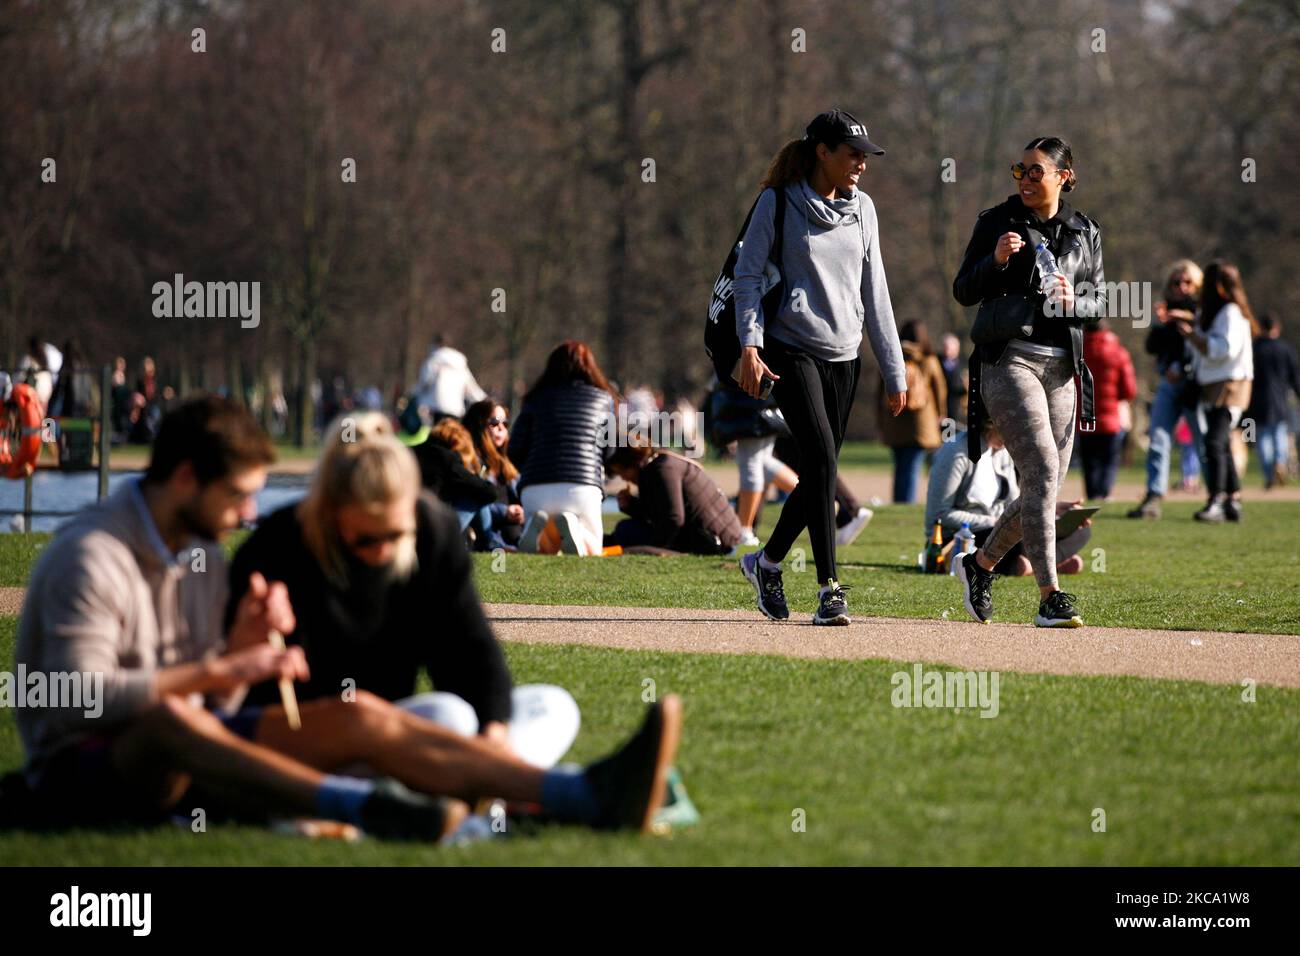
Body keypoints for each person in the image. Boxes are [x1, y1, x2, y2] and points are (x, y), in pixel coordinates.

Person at [10, 395, 682, 838]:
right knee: (174, 720)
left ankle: (579, 793)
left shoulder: (202, 554)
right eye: (238, 495)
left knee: (380, 716)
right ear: (187, 478)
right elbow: (80, 702)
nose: (247, 514)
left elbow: (217, 704)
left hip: (206, 752)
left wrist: (241, 649)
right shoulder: (92, 558)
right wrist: (230, 662)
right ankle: (368, 808)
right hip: (92, 769)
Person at [228, 412, 579, 768]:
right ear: (330, 512)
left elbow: (470, 650)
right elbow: (242, 700)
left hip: (395, 728)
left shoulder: (433, 531)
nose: (382, 550)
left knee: (552, 706)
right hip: (314, 735)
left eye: (395, 536)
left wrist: (493, 730)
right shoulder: (278, 544)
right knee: (449, 716)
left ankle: (486, 775)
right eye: (365, 539)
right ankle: (492, 782)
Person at [732, 108, 907, 626]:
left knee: (819, 471)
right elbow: (746, 276)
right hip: (790, 349)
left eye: (865, 155)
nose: (861, 164)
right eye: (852, 154)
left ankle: (765, 563)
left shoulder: (865, 210)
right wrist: (750, 345)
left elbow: (876, 292)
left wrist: (894, 369)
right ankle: (831, 588)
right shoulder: (778, 202)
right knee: (825, 458)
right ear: (821, 153)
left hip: (845, 355)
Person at [952, 136, 1105, 628]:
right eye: (1020, 170)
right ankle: (1050, 597)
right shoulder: (995, 221)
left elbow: (1100, 305)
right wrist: (994, 260)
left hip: (1062, 367)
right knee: (1039, 470)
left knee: (1044, 486)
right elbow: (962, 290)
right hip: (1008, 361)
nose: (1024, 179)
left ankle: (979, 567)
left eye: (1036, 171)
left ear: (1064, 176)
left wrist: (1073, 302)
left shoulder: (1085, 231)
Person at [925, 420, 1091, 577]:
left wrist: (1052, 509)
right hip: (962, 536)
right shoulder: (955, 452)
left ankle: (1031, 566)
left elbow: (1015, 504)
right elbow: (940, 514)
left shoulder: (1003, 451)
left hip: (1000, 528)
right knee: (1018, 541)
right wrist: (994, 521)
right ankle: (1044, 565)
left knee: (1081, 530)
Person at [511, 341, 619, 557]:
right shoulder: (604, 400)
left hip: (535, 486)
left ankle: (535, 529)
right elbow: (609, 450)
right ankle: (576, 529)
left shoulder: (534, 399)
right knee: (594, 548)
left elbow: (515, 449)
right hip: (582, 486)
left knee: (547, 549)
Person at [1175, 260, 1257, 522]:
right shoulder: (1221, 312)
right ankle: (1232, 499)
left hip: (1230, 383)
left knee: (1214, 442)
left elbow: (1224, 349)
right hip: (1216, 383)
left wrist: (1194, 338)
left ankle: (1217, 500)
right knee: (1220, 443)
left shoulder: (1230, 312)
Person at [1129, 261, 1204, 518]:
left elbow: (1205, 346)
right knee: (1158, 439)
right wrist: (1160, 324)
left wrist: (1182, 368)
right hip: (1167, 384)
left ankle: (1219, 496)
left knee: (1202, 440)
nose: (1181, 287)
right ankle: (1153, 496)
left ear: (1197, 285)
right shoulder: (1164, 312)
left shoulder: (1203, 312)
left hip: (1196, 384)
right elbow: (1152, 347)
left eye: (1187, 282)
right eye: (1176, 282)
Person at [705, 380, 800, 546]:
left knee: (751, 463)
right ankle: (817, 500)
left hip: (752, 402)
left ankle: (744, 530)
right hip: (764, 400)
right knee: (764, 462)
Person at [605, 442, 743, 555]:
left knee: (626, 529)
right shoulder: (661, 462)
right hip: (717, 538)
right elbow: (661, 514)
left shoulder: (663, 469)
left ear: (631, 463)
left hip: (715, 543)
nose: (623, 478)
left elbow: (673, 518)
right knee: (626, 530)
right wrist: (632, 506)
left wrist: (653, 548)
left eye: (621, 472)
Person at [878, 320, 947, 503]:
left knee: (900, 466)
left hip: (894, 419)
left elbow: (880, 392)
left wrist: (880, 422)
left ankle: (898, 503)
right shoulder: (929, 360)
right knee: (912, 466)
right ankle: (906, 503)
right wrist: (941, 415)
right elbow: (940, 391)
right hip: (921, 424)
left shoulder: (891, 359)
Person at [412, 417, 502, 545]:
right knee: (474, 496)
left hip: (406, 519)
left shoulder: (411, 451)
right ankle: (491, 544)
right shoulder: (448, 458)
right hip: (432, 528)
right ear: (457, 442)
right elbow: (490, 492)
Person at [1077, 319, 1136, 501]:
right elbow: (1129, 390)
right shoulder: (1119, 353)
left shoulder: (1077, 352)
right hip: (1111, 417)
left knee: (1089, 460)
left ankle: (1093, 494)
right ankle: (1104, 493)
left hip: (1084, 416)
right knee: (1109, 459)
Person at [462, 398, 526, 548]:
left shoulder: (507, 463)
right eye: (494, 422)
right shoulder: (471, 461)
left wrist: (522, 511)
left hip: (512, 527)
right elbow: (473, 502)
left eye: (505, 423)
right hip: (486, 527)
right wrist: (505, 512)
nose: (501, 428)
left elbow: (521, 493)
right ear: (479, 425)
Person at [1247, 313, 1300, 488]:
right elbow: (1295, 377)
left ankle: (1269, 473)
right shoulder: (1285, 349)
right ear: (1277, 327)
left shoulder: (1255, 349)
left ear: (1261, 327)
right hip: (1280, 400)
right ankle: (1280, 462)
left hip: (1259, 400)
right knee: (1280, 436)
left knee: (1263, 438)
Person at [413, 333, 487, 422]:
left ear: (436, 345)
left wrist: (412, 395)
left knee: (437, 433)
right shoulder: (460, 363)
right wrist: (485, 400)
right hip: (455, 409)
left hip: (435, 407)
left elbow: (424, 383)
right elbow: (471, 388)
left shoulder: (433, 361)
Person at [939, 332, 968, 425]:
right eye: (947, 347)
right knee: (944, 437)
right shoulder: (936, 362)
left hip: (956, 410)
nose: (949, 351)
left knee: (952, 437)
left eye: (952, 348)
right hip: (941, 409)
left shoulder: (961, 365)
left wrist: (965, 389)